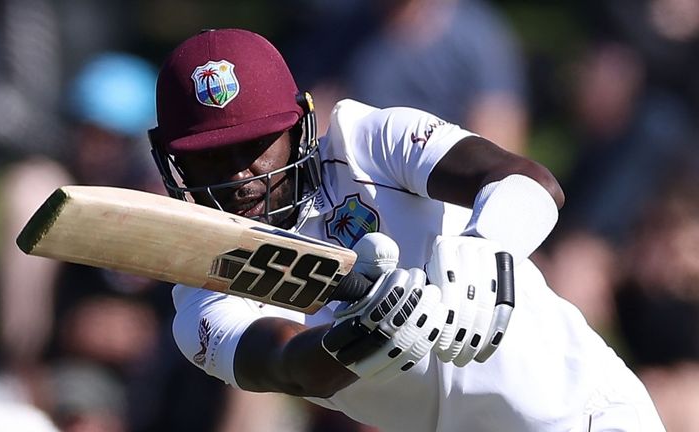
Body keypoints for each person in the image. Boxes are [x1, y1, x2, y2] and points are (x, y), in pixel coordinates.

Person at [148, 28, 665, 431]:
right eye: (210, 158)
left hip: (588, 417)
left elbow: (530, 182)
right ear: (173, 164)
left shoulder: (368, 140)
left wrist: (480, 255)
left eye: (253, 145)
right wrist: (369, 335)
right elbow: (287, 363)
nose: (238, 175)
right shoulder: (201, 289)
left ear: (299, 126)